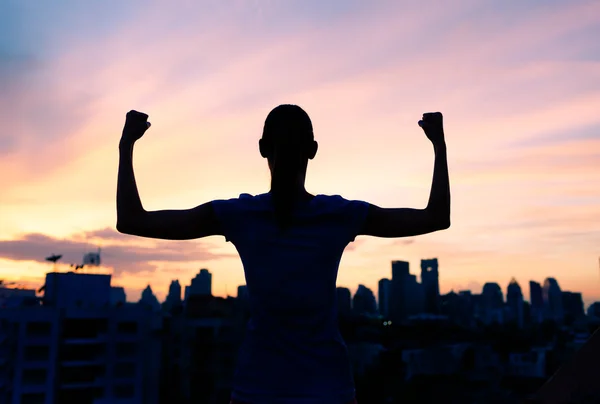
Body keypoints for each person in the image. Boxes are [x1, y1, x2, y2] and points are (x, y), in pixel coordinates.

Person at [117, 104, 451, 404]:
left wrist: (127, 146)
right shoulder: (335, 214)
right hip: (315, 387)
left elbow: (134, 220)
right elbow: (435, 217)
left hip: (269, 388)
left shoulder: (241, 214)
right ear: (314, 150)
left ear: (263, 149)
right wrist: (438, 145)